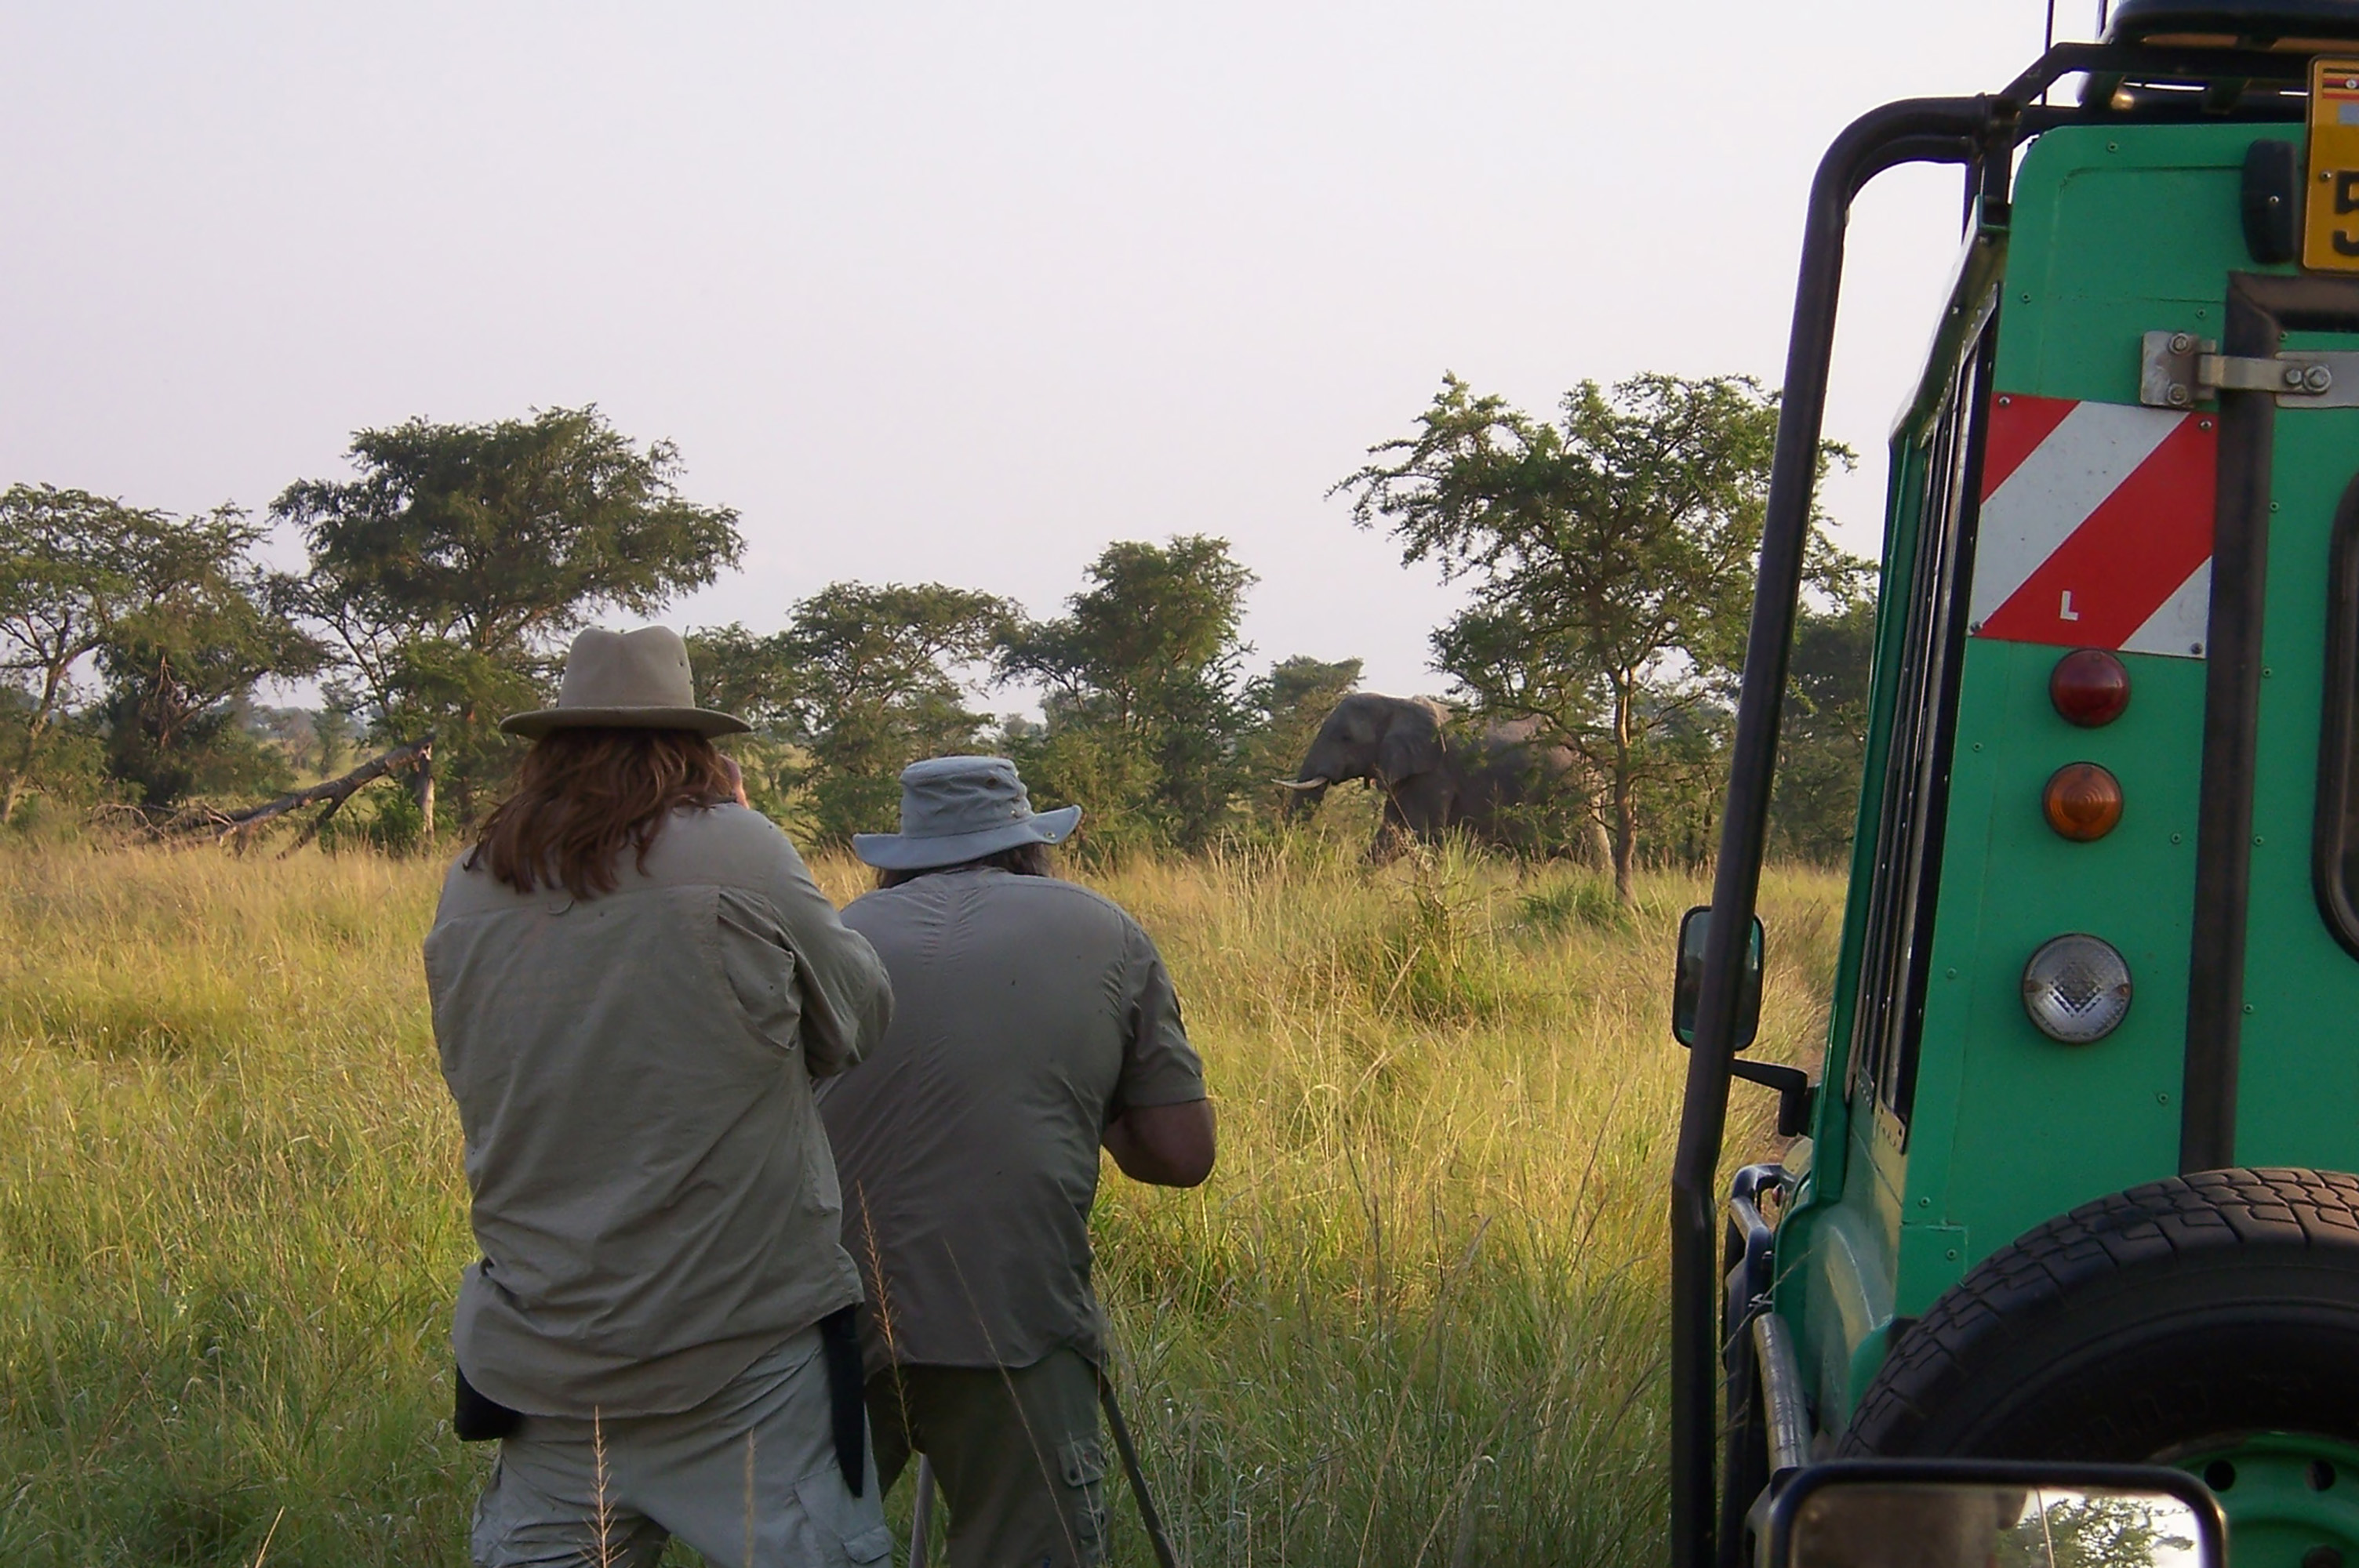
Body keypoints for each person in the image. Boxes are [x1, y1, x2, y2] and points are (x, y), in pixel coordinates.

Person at [426, 625, 896, 1568]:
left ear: (549, 750)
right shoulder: (734, 847)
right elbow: (862, 1014)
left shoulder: (472, 883)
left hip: (545, 1351)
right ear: (691, 746)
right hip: (741, 1349)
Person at [819, 755, 1216, 1568]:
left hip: (820, 1314)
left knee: (801, 1545)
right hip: (1010, 1315)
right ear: (1030, 843)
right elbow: (1184, 1153)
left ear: (898, 849)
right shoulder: (1104, 927)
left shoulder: (840, 931)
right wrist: (1087, 1096)